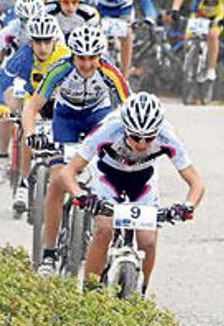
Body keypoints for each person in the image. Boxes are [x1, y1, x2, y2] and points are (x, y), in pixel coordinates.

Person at [61, 92, 205, 294]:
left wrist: (187, 207)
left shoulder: (167, 137)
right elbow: (68, 172)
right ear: (125, 128)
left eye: (149, 138)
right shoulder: (109, 129)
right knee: (104, 230)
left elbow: (196, 183)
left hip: (142, 180)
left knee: (148, 241)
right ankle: (89, 294)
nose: (142, 144)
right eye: (135, 137)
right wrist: (81, 195)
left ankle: (141, 293)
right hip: (107, 175)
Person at [20, 24, 131, 276]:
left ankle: (107, 231)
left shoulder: (110, 72)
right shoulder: (59, 69)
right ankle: (48, 253)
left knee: (109, 174)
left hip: (97, 117)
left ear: (100, 56)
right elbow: (30, 108)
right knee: (58, 179)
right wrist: (31, 134)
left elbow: (129, 109)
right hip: (66, 118)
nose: (87, 64)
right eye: (81, 57)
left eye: (92, 58)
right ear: (73, 55)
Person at [0, 14, 71, 213]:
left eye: (47, 41)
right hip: (34, 102)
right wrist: (0, 104)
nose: (43, 47)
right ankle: (24, 185)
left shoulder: (65, 56)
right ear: (31, 42)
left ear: (55, 40)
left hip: (60, 104)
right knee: (28, 128)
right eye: (38, 42)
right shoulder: (24, 56)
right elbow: (0, 82)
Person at [0, 0, 47, 184]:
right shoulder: (13, 29)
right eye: (25, 20)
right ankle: (3, 158)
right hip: (15, 72)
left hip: (42, 74)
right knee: (7, 102)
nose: (29, 24)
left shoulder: (52, 29)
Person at [82, 0, 158, 75]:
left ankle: (124, 75)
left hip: (124, 10)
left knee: (127, 34)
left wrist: (150, 17)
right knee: (95, 35)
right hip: (103, 9)